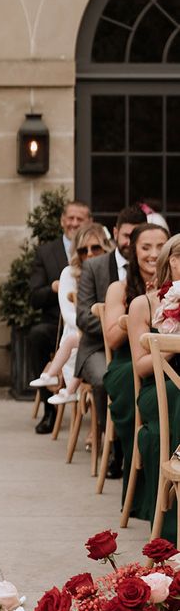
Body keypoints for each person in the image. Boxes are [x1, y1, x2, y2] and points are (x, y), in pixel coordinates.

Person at [103, 223, 170, 497]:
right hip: (127, 363)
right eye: (146, 247)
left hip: (166, 363)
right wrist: (140, 307)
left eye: (160, 247)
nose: (153, 254)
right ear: (134, 251)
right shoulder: (120, 288)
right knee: (139, 384)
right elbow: (111, 339)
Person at [126, 231, 180, 539]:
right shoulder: (143, 305)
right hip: (155, 390)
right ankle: (171, 533)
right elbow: (142, 366)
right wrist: (172, 342)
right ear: (172, 263)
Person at [75, 205, 149, 417]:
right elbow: (83, 316)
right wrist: (117, 326)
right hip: (97, 346)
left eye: (136, 236)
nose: (130, 242)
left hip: (140, 347)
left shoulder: (152, 266)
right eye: (127, 235)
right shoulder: (94, 267)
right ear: (115, 233)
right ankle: (108, 436)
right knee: (102, 377)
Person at [30, 223, 112, 406]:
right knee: (78, 343)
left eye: (95, 248)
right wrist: (98, 327)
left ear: (105, 247)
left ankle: (65, 388)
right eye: (83, 250)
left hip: (105, 333)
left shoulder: (112, 272)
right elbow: (69, 315)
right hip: (82, 331)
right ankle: (57, 381)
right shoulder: (69, 273)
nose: (90, 254)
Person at [28, 200, 91, 433]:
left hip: (85, 320)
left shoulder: (95, 248)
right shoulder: (45, 252)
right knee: (36, 336)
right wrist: (54, 288)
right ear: (62, 220)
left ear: (89, 222)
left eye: (80, 219)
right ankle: (49, 410)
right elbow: (34, 297)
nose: (74, 223)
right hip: (55, 321)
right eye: (70, 218)